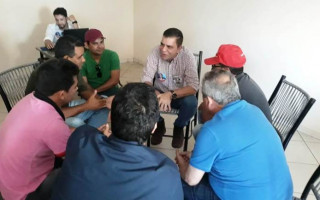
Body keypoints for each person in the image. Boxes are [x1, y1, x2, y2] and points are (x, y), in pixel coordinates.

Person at [51, 83, 183, 200]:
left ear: (109, 116)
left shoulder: (81, 137)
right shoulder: (167, 171)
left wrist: (98, 137)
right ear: (154, 128)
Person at [176, 69, 293, 200]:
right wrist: (197, 157)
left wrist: (182, 166)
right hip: (283, 195)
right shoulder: (255, 110)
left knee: (174, 181)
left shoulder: (211, 131)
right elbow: (235, 149)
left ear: (208, 101)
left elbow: (191, 180)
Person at [0, 59, 79, 200]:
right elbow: (70, 152)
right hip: (24, 195)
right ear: (61, 94)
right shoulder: (52, 122)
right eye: (75, 87)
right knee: (79, 168)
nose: (77, 90)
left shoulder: (30, 99)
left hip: (8, 184)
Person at [26, 35, 110, 128]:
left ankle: (92, 134)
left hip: (63, 107)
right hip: (41, 118)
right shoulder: (49, 75)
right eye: (80, 57)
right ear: (66, 59)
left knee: (103, 103)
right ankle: (90, 135)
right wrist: (86, 106)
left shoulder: (71, 67)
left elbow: (84, 89)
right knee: (77, 123)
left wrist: (103, 101)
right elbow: (51, 114)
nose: (84, 60)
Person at [141, 28, 199, 148]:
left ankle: (179, 126)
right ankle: (159, 124)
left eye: (169, 46)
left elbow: (193, 87)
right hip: (158, 92)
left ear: (179, 48)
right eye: (162, 44)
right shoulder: (155, 52)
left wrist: (170, 94)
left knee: (192, 102)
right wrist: (158, 94)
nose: (163, 49)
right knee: (142, 96)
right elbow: (146, 79)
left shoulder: (187, 57)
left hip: (179, 95)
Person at [81, 28, 120, 97]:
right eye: (95, 43)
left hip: (111, 89)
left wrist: (96, 91)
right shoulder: (82, 59)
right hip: (90, 91)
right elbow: (84, 84)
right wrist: (93, 95)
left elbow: (115, 80)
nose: (100, 46)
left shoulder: (112, 55)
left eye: (101, 42)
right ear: (86, 45)